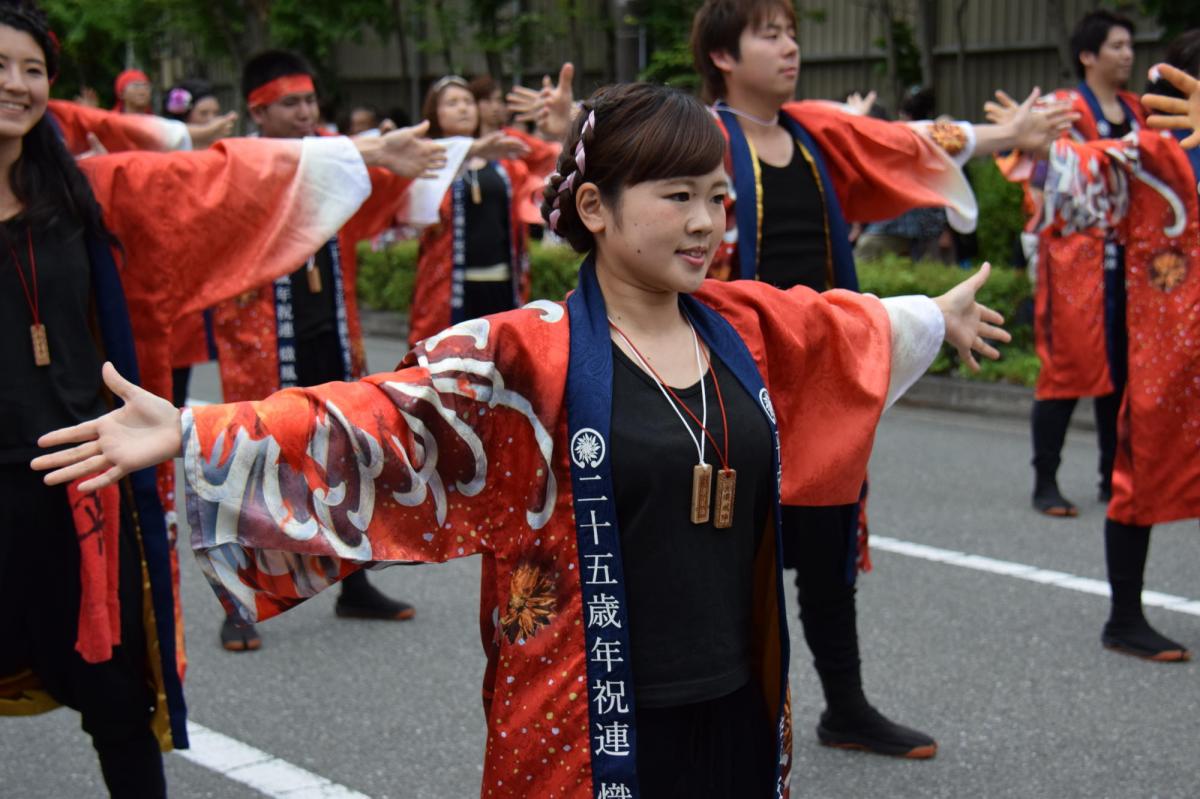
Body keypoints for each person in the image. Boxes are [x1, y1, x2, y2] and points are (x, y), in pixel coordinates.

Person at [32, 81, 1008, 799]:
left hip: (743, 700)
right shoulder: (524, 353)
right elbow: (386, 417)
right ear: (595, 208)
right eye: (678, 197)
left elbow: (845, 327)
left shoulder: (741, 325)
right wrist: (200, 427)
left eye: (718, 196)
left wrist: (930, 315)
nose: (709, 222)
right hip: (588, 715)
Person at [0, 3, 443, 796]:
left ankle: (325, 583)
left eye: (33, 69)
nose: (17, 84)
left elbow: (215, 178)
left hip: (81, 489)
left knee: (118, 702)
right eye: (1, 65)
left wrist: (370, 150)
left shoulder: (88, 192)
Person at [688, 0, 1073, 760]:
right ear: (724, 56)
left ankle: (847, 706)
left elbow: (908, 142)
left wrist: (1009, 135)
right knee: (734, 552)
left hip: (824, 369)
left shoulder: (815, 133)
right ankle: (733, 713)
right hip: (732, 372)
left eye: (793, 32)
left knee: (829, 541)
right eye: (771, 34)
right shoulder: (698, 138)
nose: (791, 47)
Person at [209, 50, 425, 650]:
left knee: (344, 464)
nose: (306, 113)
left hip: (329, 328)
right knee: (249, 471)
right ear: (258, 109)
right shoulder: (237, 169)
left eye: (310, 102)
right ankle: (240, 602)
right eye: (291, 104)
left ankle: (353, 587)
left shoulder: (332, 159)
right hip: (260, 341)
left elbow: (379, 201)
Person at [1013, 50, 1200, 662]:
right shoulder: (1153, 154)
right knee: (1141, 470)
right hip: (1168, 346)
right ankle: (1124, 615)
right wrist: (1028, 141)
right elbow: (1071, 179)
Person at [999, 10, 1144, 517]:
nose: (1127, 53)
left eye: (1129, 45)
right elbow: (1040, 174)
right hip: (1075, 261)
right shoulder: (1064, 108)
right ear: (1089, 55)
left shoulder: (1136, 109)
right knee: (1065, 371)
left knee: (1125, 373)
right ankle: (1046, 480)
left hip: (1132, 261)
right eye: (1117, 45)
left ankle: (1115, 476)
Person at [408, 73, 563, 345]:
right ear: (434, 112)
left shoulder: (504, 159)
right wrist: (468, 150)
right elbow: (420, 212)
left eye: (467, 100)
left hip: (501, 283)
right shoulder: (425, 163)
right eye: (452, 102)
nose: (463, 107)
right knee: (448, 368)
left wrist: (563, 124)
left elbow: (552, 158)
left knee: (499, 368)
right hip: (448, 293)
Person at [160, 78, 235, 408]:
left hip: (221, 287)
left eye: (216, 113)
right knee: (167, 384)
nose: (213, 122)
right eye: (204, 115)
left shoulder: (229, 161)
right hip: (178, 290)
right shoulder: (164, 166)